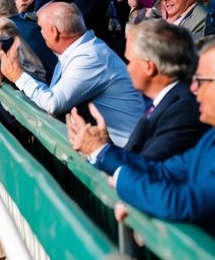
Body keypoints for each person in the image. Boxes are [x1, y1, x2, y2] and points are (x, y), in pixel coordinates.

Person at [67, 35, 215, 245]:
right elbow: (161, 171)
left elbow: (182, 202)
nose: (193, 88)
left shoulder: (191, 116)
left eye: (201, 80)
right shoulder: (214, 137)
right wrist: (101, 151)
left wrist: (122, 180)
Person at [0, 2, 146, 146]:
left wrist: (17, 75)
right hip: (108, 153)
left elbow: (52, 104)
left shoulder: (90, 56)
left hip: (124, 159)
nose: (39, 33)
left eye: (41, 28)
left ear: (53, 31)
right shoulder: (78, 49)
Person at [67, 20, 206, 161]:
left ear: (149, 67)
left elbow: (147, 169)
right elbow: (134, 159)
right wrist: (104, 144)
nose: (127, 69)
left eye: (130, 61)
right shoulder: (165, 102)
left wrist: (99, 150)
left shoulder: (182, 110)